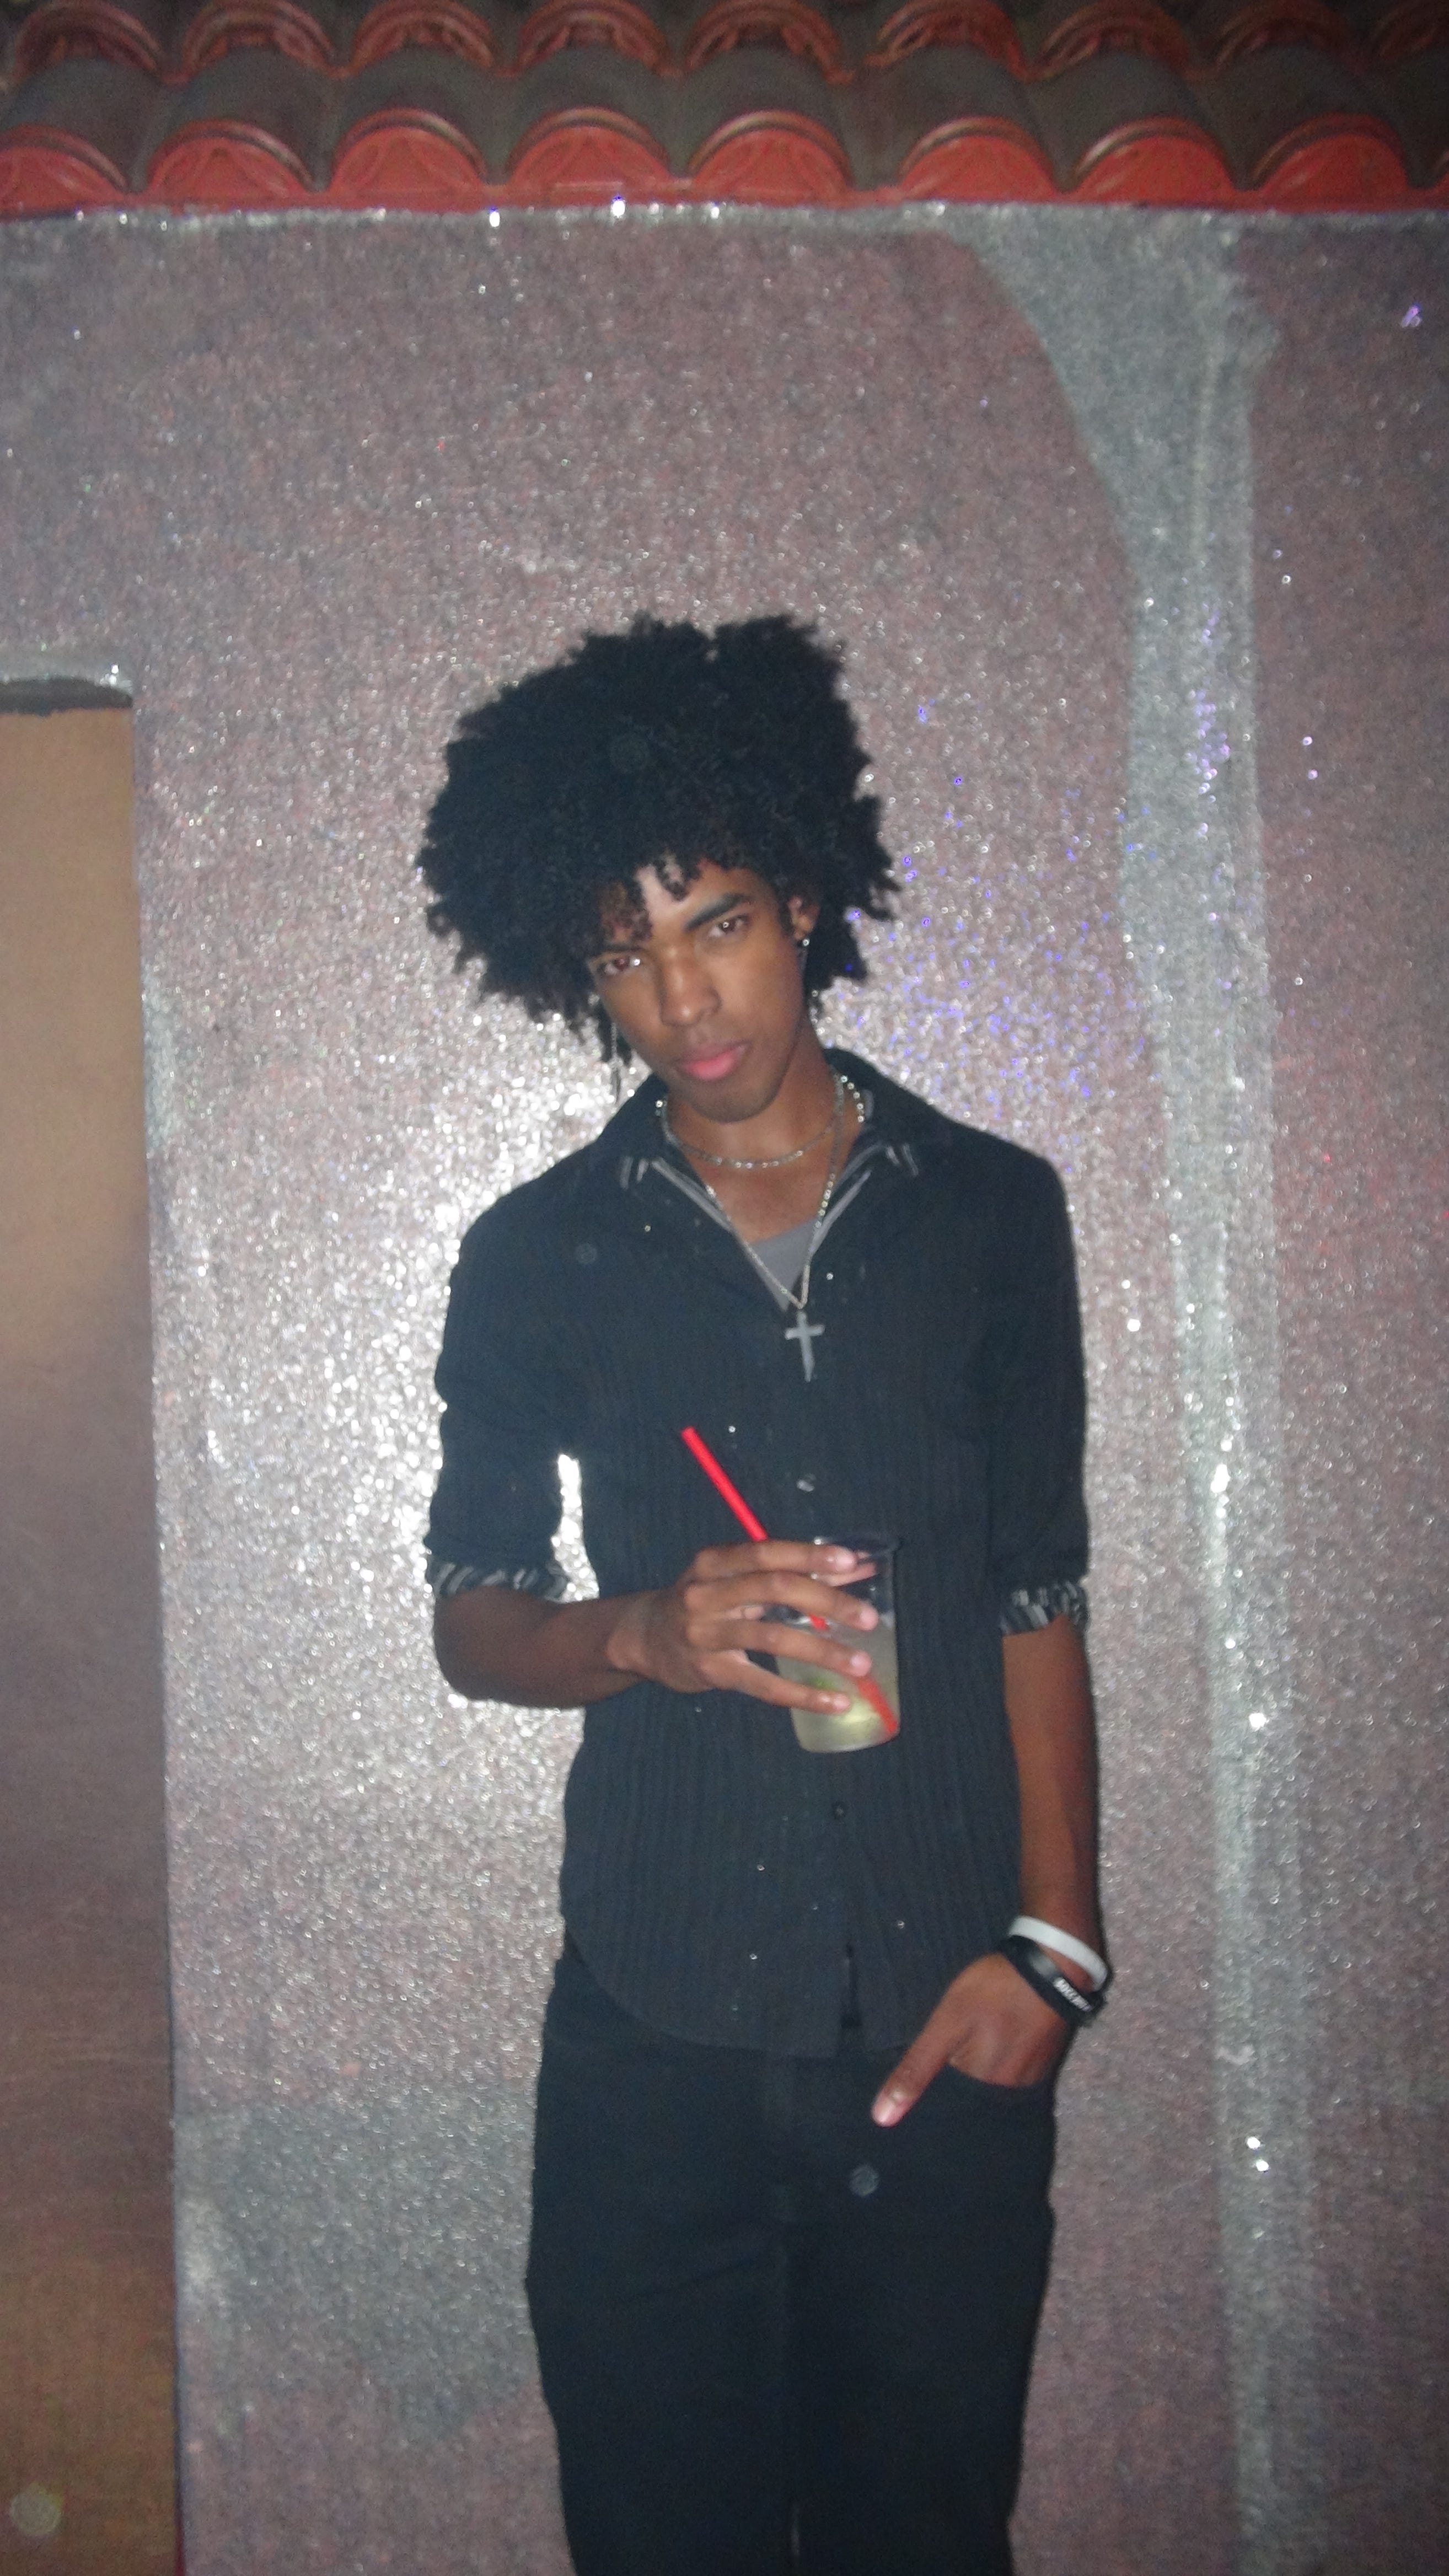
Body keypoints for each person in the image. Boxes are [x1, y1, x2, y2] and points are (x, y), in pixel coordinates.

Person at [417, 615, 1106, 2576]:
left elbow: (1037, 1594)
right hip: (655, 2038)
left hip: (944, 2020)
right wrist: (640, 1632)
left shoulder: (992, 1214)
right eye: (621, 952)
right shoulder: (534, 1253)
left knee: (923, 2540)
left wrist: (1056, 1951)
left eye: (712, 920)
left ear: (799, 895)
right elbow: (474, 1613)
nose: (680, 993)